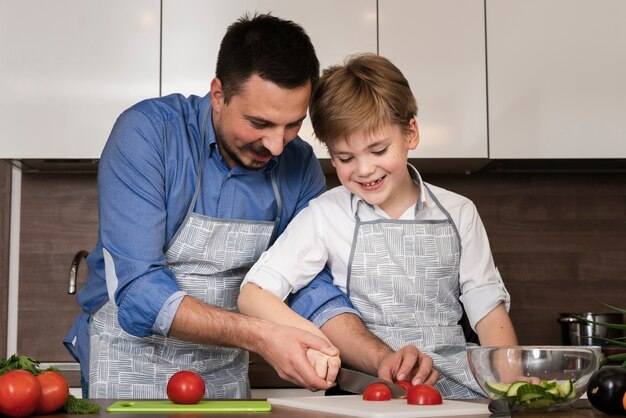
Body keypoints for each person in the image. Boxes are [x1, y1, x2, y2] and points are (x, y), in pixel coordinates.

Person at [64, 13, 433, 400]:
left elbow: (308, 287)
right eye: (260, 123)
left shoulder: (298, 162)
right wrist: (262, 335)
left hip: (225, 377)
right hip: (126, 368)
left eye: (292, 124)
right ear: (219, 95)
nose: (276, 146)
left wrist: (381, 360)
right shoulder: (148, 134)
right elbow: (140, 291)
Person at [238, 53, 519, 399]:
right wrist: (320, 345)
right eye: (345, 158)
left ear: (411, 133)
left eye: (378, 150)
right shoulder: (326, 214)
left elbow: (488, 311)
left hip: (455, 389)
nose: (365, 169)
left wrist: (512, 386)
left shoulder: (459, 212)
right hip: (368, 393)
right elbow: (254, 293)